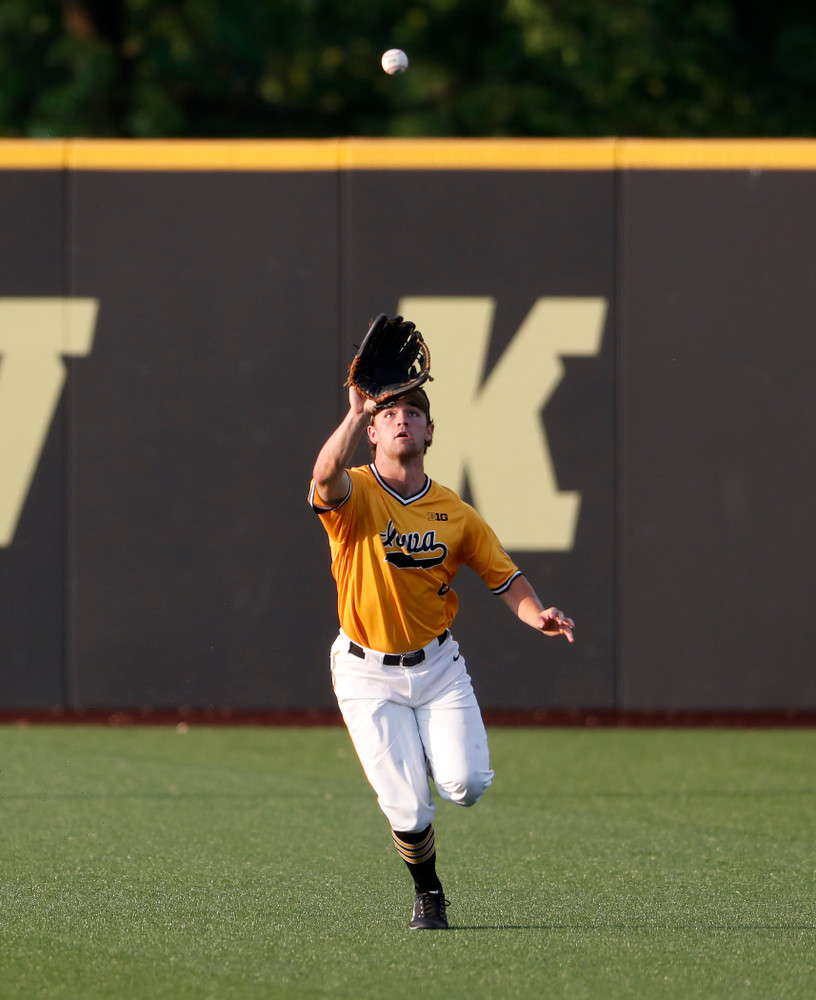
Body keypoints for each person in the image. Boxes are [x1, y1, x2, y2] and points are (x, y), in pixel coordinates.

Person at [308, 381, 574, 931]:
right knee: (409, 809)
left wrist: (538, 614)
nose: (401, 419)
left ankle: (421, 749)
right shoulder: (355, 493)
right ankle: (429, 892)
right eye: (390, 414)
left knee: (467, 786)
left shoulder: (454, 512)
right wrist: (356, 411)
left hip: (436, 669)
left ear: (430, 433)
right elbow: (322, 477)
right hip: (364, 670)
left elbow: (505, 576)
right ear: (374, 432)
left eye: (413, 412)